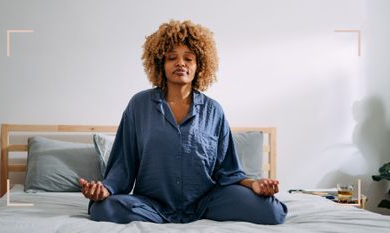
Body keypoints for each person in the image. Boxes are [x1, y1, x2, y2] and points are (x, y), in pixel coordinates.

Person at [79, 20, 287, 224]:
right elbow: (122, 166)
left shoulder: (214, 111)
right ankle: (157, 216)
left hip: (207, 202)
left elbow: (229, 170)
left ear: (199, 65)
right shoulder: (139, 105)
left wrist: (254, 184)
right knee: (103, 208)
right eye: (172, 58)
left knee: (272, 211)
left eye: (188, 58)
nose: (180, 63)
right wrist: (105, 189)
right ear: (161, 63)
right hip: (151, 203)